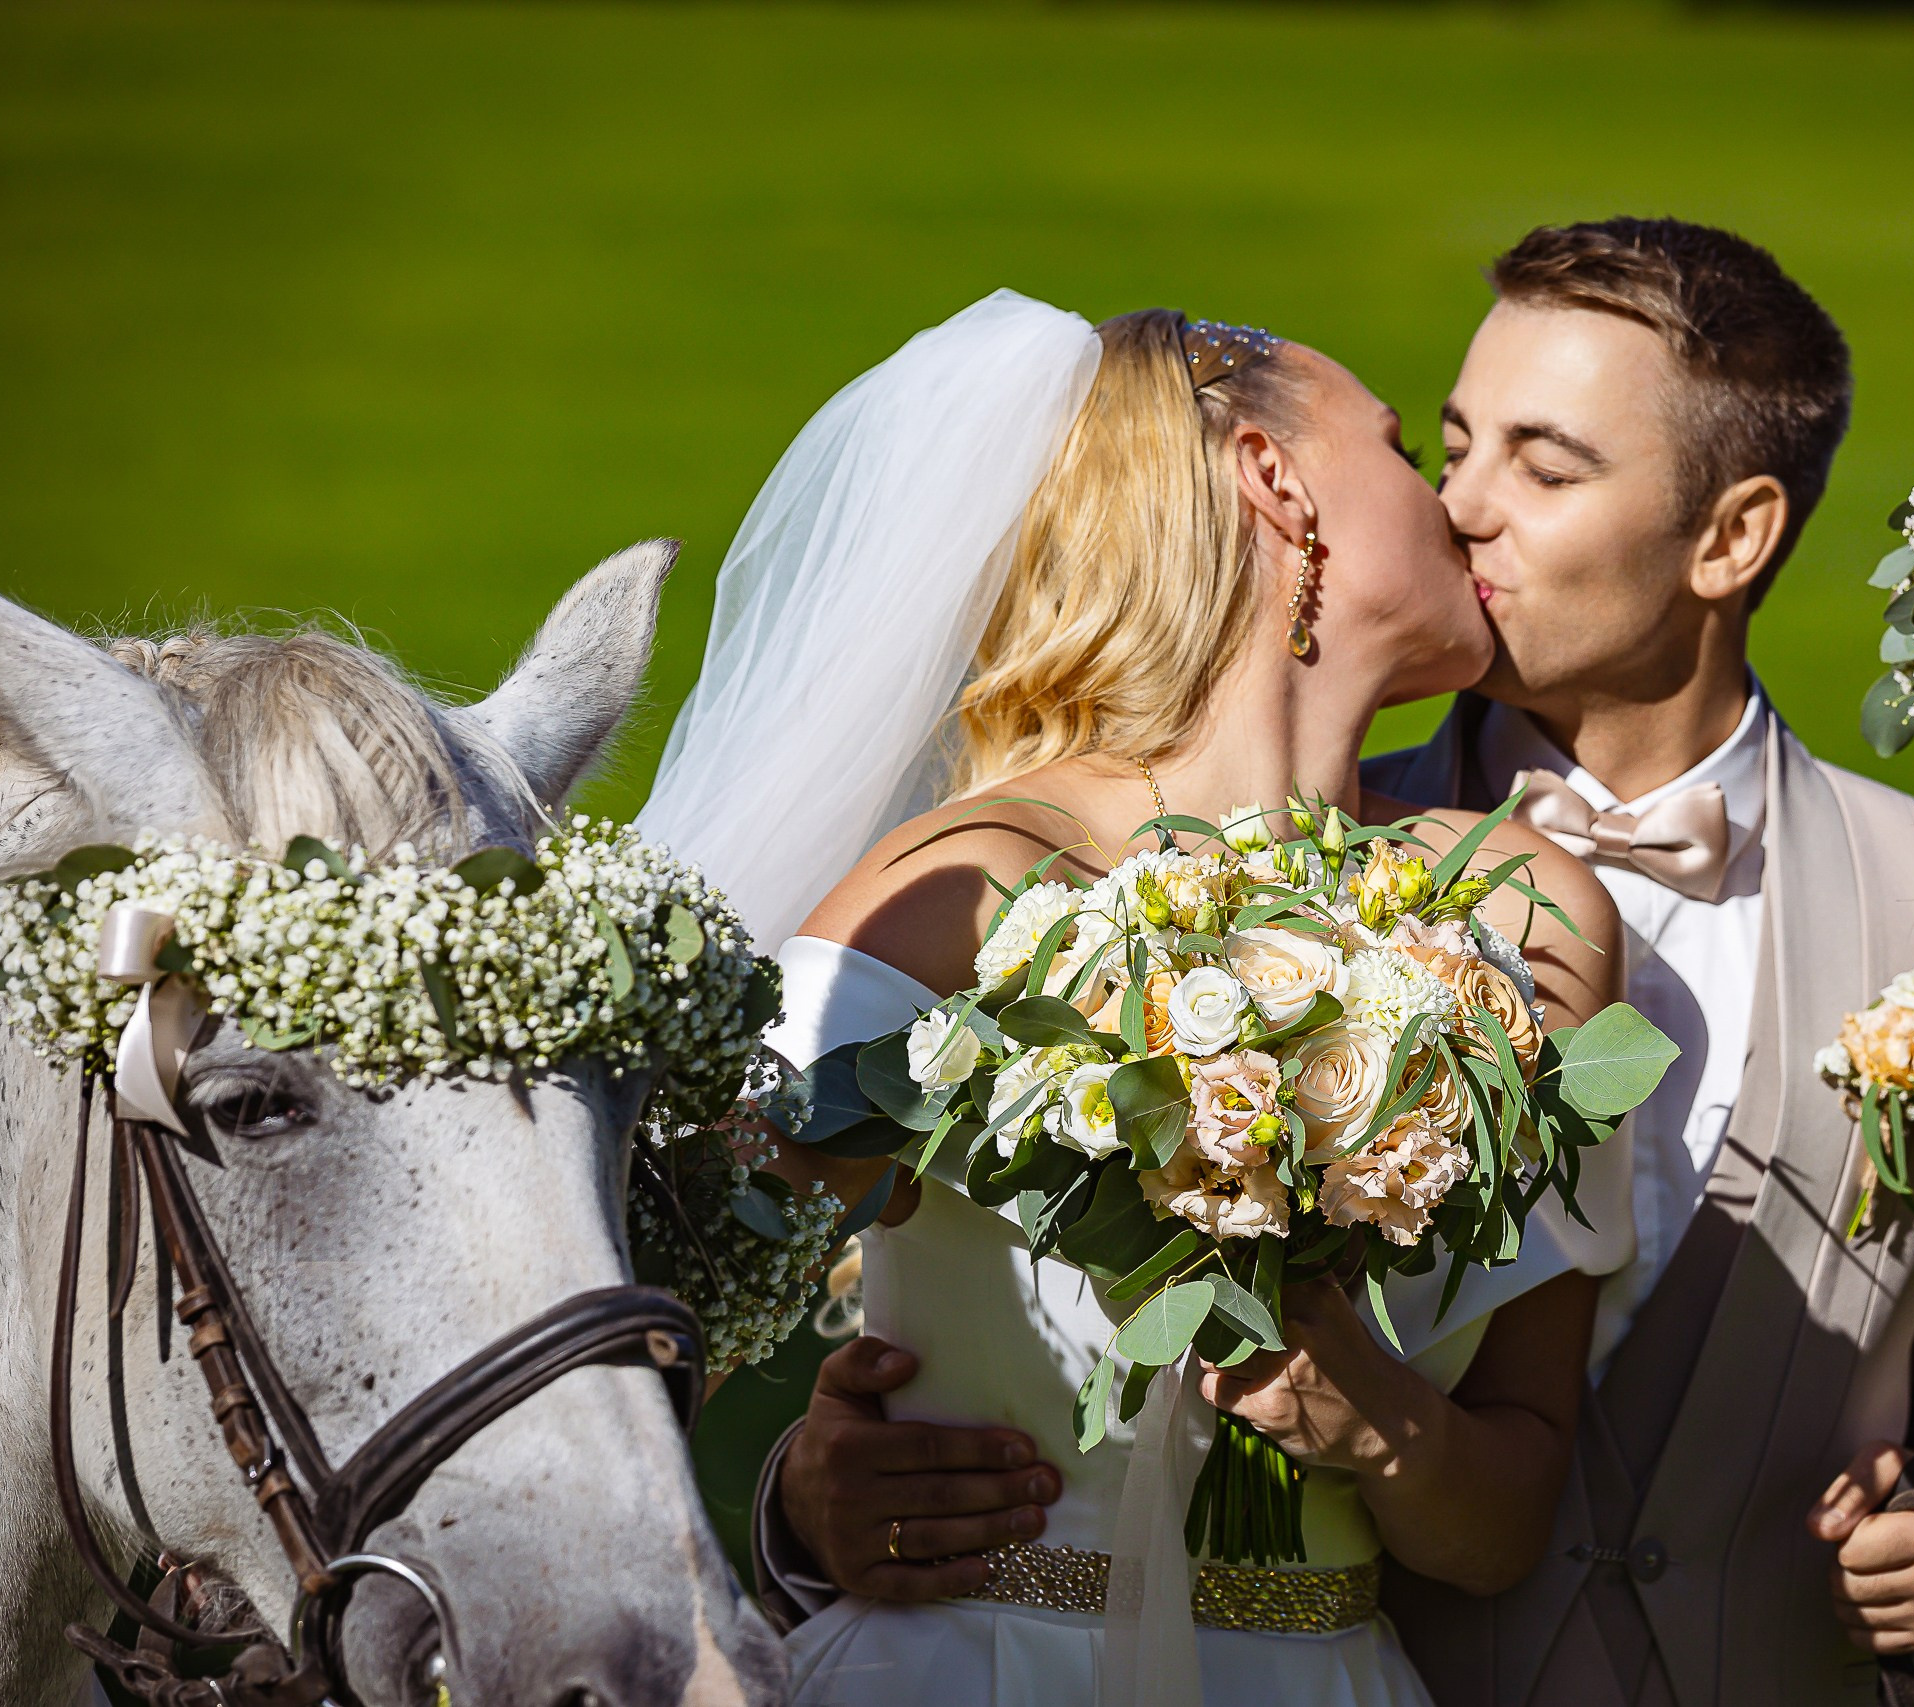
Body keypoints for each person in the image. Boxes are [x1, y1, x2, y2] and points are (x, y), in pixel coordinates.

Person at [643, 292, 1633, 1707]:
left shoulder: (1530, 917)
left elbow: (1505, 1525)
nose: (1463, 508)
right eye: (1410, 448)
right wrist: (802, 1498)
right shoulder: (962, 889)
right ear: (1272, 482)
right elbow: (645, 1294)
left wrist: (1379, 1425)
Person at [1362, 217, 1914, 1705]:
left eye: (1543, 469)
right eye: (1455, 445)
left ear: (1732, 537)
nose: (1457, 509)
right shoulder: (1309, 876)